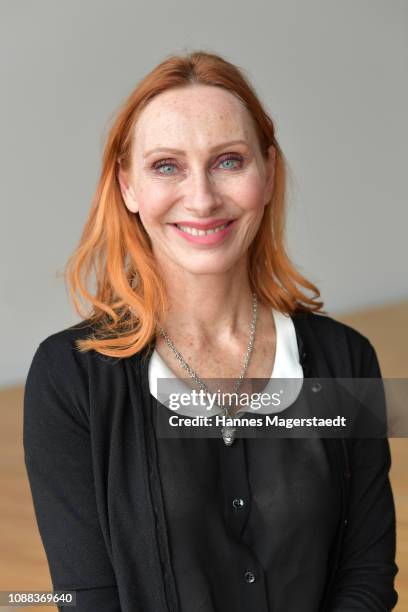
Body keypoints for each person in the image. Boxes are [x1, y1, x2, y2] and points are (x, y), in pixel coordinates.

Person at [23, 50, 398, 611]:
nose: (201, 198)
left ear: (268, 174)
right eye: (166, 166)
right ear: (127, 187)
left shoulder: (348, 360)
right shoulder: (68, 378)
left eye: (228, 161)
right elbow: (87, 599)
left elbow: (367, 575)